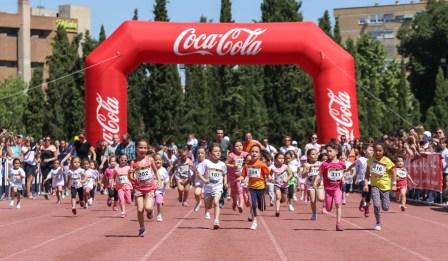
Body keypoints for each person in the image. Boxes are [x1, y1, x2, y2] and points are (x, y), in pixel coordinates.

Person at [128, 138, 160, 237]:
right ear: (136, 149)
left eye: (145, 148)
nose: (143, 150)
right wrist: (131, 177)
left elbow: (155, 171)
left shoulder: (150, 159)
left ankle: (150, 211)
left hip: (149, 188)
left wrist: (159, 180)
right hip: (138, 189)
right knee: (140, 209)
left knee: (148, 208)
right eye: (140, 147)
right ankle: (142, 228)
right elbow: (130, 176)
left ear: (147, 149)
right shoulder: (133, 162)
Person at [364, 143, 396, 231]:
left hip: (385, 187)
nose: (378, 153)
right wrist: (366, 184)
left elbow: (393, 170)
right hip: (375, 186)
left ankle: (385, 202)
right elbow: (367, 173)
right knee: (376, 205)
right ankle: (378, 222)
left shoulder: (387, 161)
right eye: (376, 151)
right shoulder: (371, 160)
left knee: (385, 207)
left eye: (380, 151)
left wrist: (394, 183)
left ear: (383, 151)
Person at [238, 144, 270, 230]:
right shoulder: (247, 165)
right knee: (254, 204)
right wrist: (240, 178)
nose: (254, 153)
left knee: (261, 207)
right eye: (252, 151)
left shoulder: (262, 164)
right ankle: (254, 221)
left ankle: (258, 207)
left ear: (259, 154)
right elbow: (243, 175)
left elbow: (267, 174)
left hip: (261, 187)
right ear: (249, 153)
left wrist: (269, 178)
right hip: (251, 187)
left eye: (256, 152)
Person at [198, 143, 228, 229]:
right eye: (215, 151)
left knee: (216, 202)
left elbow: (225, 174)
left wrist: (225, 183)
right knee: (208, 205)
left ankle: (216, 220)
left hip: (218, 187)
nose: (218, 153)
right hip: (208, 188)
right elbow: (198, 172)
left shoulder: (222, 164)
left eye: (219, 151)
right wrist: (204, 180)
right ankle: (206, 209)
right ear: (210, 153)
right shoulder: (206, 162)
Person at [317, 142, 345, 231]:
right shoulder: (325, 164)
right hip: (328, 189)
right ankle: (326, 205)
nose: (328, 153)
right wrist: (316, 181)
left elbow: (341, 172)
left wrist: (343, 178)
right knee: (329, 209)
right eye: (327, 151)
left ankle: (338, 224)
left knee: (338, 204)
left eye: (330, 151)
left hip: (337, 188)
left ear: (336, 152)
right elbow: (319, 174)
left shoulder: (341, 163)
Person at [226, 140, 248, 213]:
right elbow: (226, 163)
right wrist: (233, 165)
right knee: (233, 192)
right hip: (232, 176)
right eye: (237, 146)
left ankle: (241, 205)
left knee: (240, 190)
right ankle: (235, 202)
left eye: (240, 145)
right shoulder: (231, 155)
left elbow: (250, 161)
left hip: (241, 176)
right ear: (234, 147)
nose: (239, 147)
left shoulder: (245, 154)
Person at [302, 148, 324, 220]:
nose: (315, 156)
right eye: (313, 154)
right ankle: (314, 213)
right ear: (308, 156)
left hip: (319, 183)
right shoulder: (306, 164)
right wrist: (307, 171)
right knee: (312, 200)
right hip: (310, 184)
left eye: (316, 154)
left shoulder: (320, 163)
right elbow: (303, 175)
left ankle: (328, 200)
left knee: (321, 198)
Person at [270, 152, 292, 217]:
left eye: (283, 158)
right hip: (277, 185)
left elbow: (291, 174)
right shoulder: (273, 168)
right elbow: (269, 174)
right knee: (278, 197)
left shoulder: (285, 167)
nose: (282, 159)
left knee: (284, 199)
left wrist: (287, 179)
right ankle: (277, 210)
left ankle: (282, 200)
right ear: (276, 160)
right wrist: (271, 179)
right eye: (280, 158)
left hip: (285, 185)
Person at [154, 154, 169, 222]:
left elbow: (167, 178)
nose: (158, 161)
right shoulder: (151, 170)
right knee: (150, 204)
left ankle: (159, 214)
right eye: (156, 160)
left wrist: (166, 181)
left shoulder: (164, 170)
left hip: (160, 190)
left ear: (162, 161)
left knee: (158, 202)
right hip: (151, 190)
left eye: (159, 160)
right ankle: (151, 211)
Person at [193, 148, 207, 212]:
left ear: (205, 154)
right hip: (199, 183)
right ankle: (198, 202)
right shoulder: (195, 163)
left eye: (202, 153)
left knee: (207, 200)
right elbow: (194, 173)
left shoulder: (207, 163)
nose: (200, 154)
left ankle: (207, 212)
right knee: (196, 193)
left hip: (206, 183)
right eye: (198, 153)